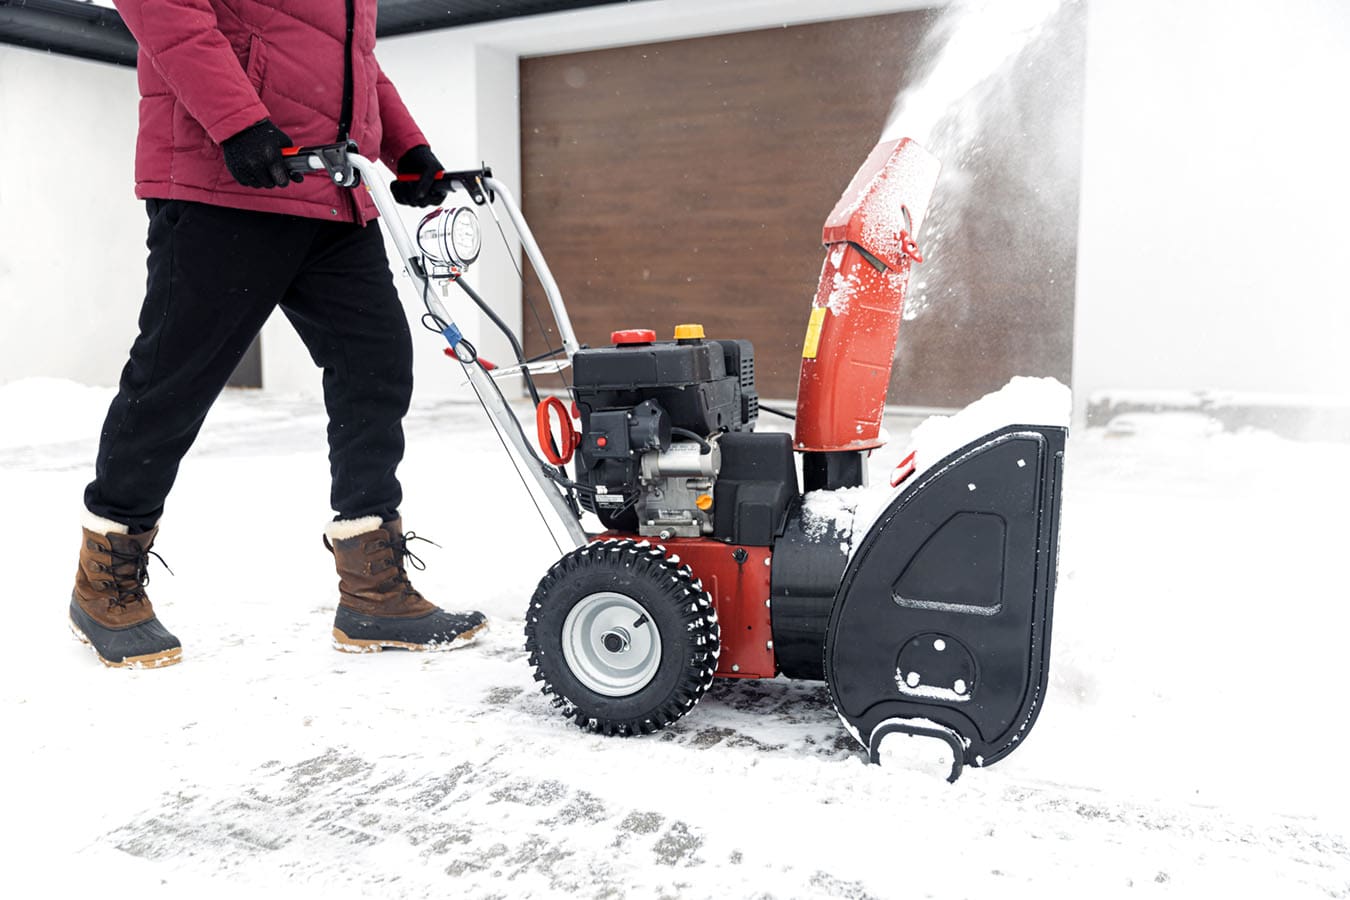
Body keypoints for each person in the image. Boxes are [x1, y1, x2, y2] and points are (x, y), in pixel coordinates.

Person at [69, 0, 487, 668]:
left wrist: (407, 147)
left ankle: (373, 587)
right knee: (175, 381)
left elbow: (351, 63)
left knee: (376, 368)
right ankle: (105, 576)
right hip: (226, 184)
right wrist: (239, 124)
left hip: (329, 191)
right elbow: (167, 11)